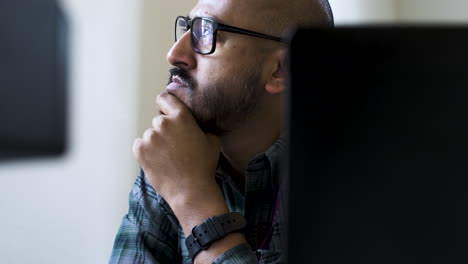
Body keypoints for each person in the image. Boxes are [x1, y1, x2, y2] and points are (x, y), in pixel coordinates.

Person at [110, 0, 333, 263]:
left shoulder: (356, 179)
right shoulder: (173, 156)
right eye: (189, 27)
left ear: (280, 70)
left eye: (206, 32)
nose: (174, 53)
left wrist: (192, 198)